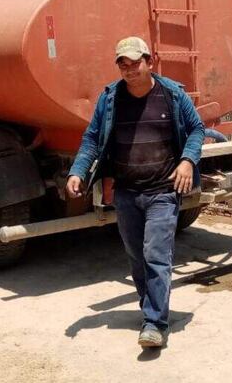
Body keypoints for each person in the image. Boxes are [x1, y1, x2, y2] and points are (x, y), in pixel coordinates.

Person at [66, 36, 205, 349]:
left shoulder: (172, 93)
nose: (129, 69)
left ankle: (154, 322)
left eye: (134, 62)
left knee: (157, 254)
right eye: (122, 64)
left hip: (163, 191)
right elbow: (91, 139)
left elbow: (197, 129)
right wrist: (77, 171)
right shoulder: (110, 99)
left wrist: (187, 160)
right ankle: (150, 308)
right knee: (136, 256)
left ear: (149, 61)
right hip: (127, 192)